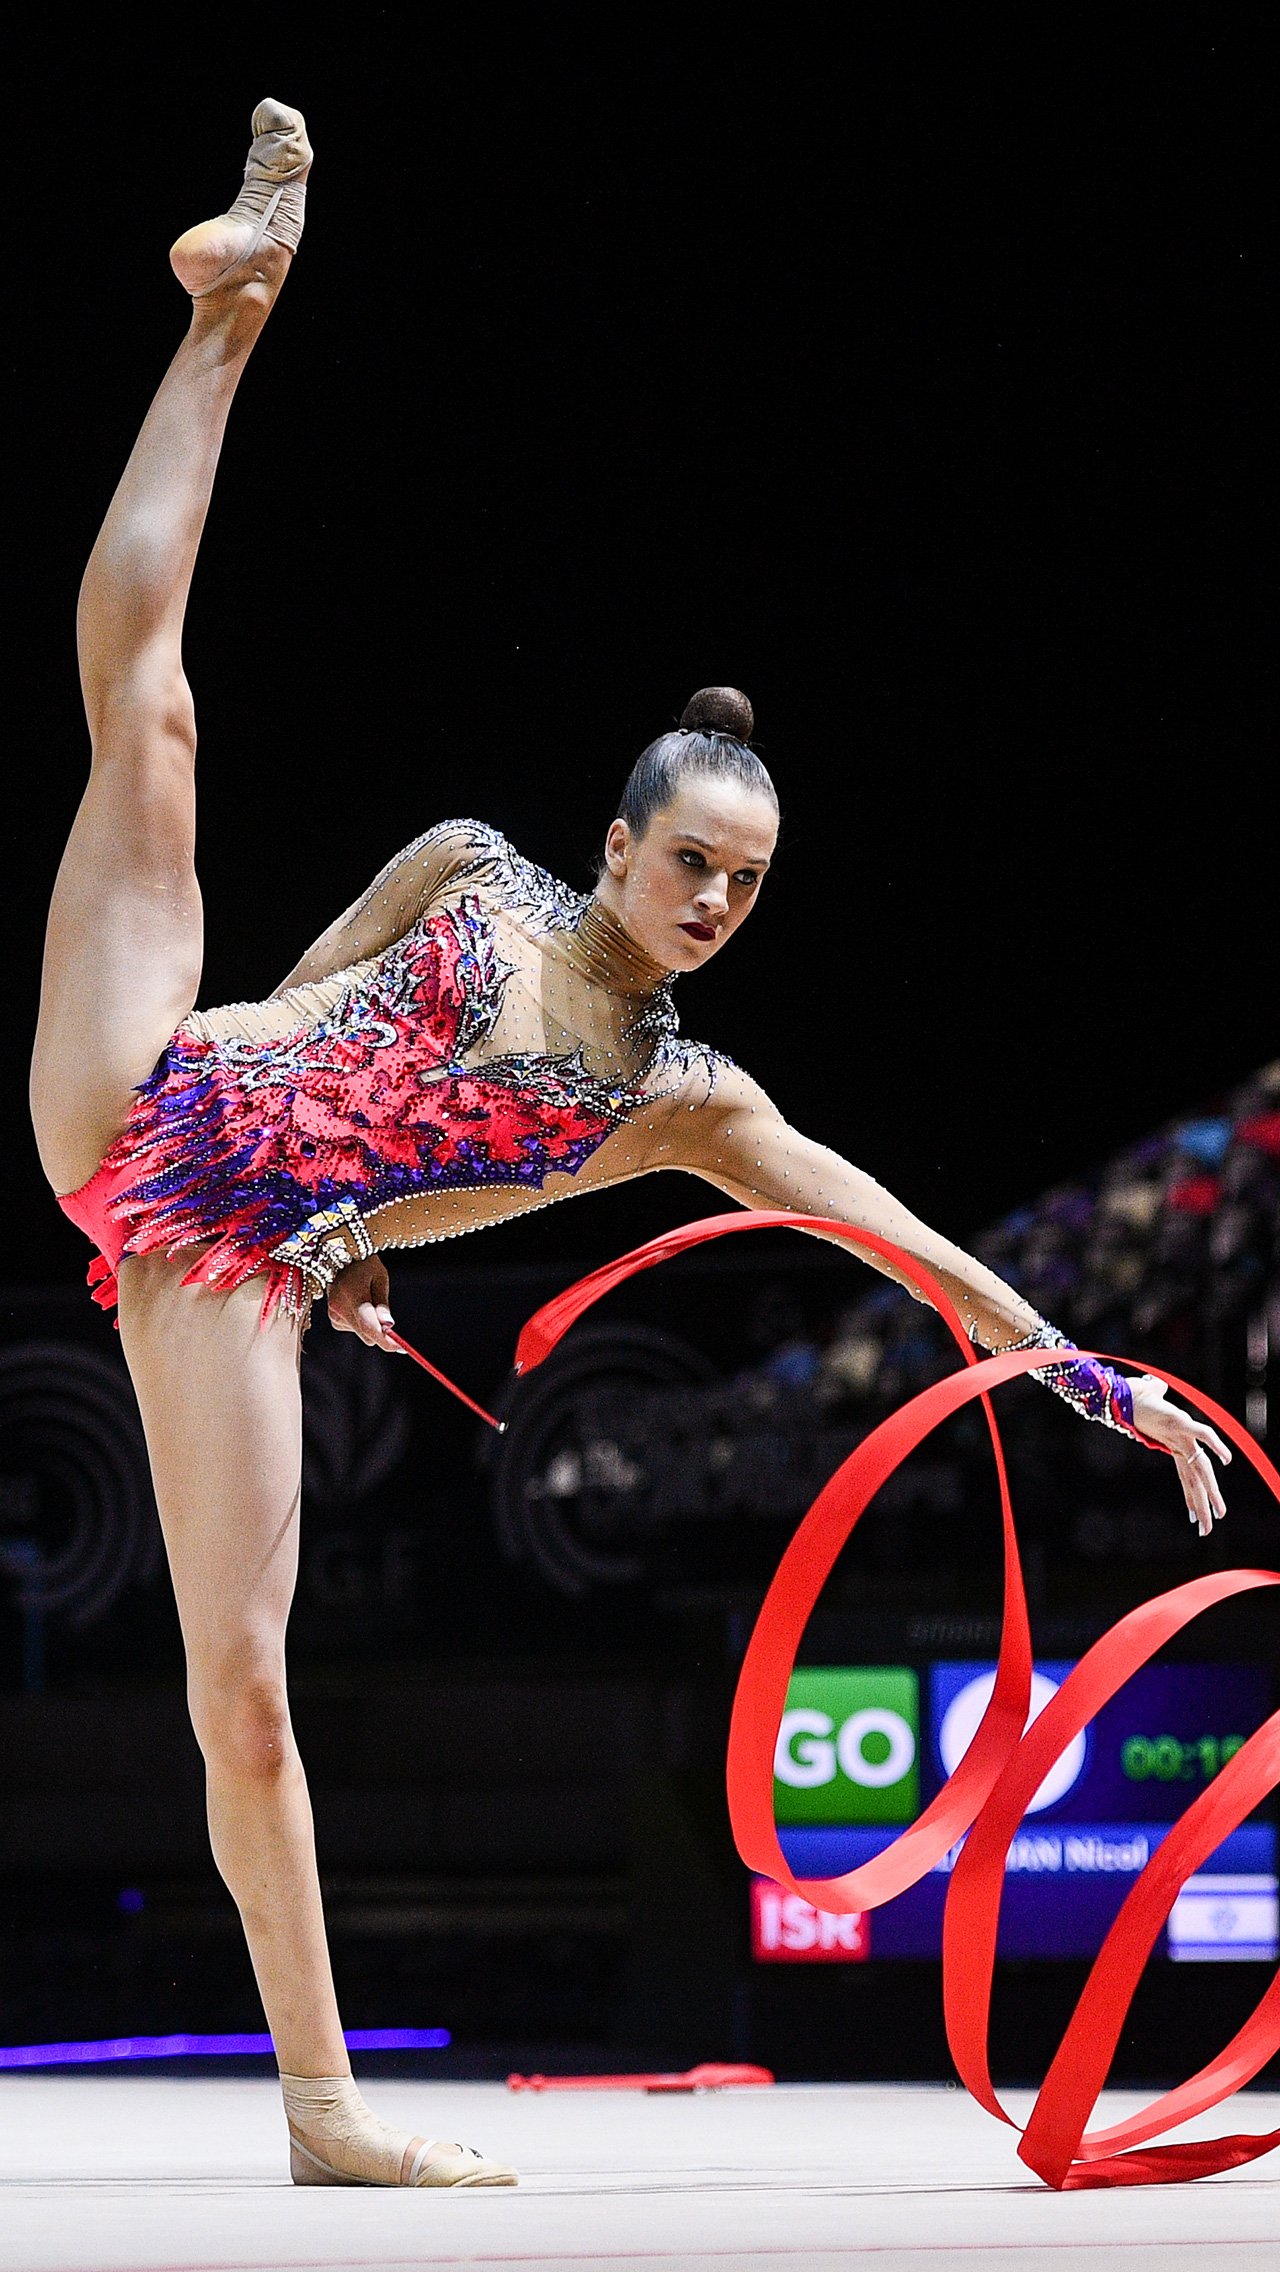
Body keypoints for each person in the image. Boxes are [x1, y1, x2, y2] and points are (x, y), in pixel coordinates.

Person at [30, 99, 1229, 2192]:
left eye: (746, 886)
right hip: (162, 1084)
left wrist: (1091, 1371)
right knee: (155, 713)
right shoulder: (467, 867)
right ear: (619, 838)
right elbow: (315, 989)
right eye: (690, 861)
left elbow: (909, 1243)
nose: (712, 904)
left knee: (243, 1681)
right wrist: (353, 1213)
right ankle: (235, 308)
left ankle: (320, 2106)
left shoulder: (683, 1103)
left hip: (222, 1256)